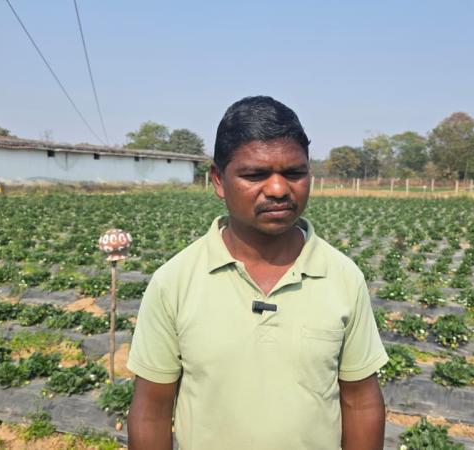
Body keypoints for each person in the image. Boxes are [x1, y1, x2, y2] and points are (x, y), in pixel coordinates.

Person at [126, 96, 388, 450]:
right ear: (218, 180)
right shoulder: (173, 282)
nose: (278, 189)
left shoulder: (343, 277)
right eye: (255, 175)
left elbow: (361, 401)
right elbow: (151, 411)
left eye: (294, 173)